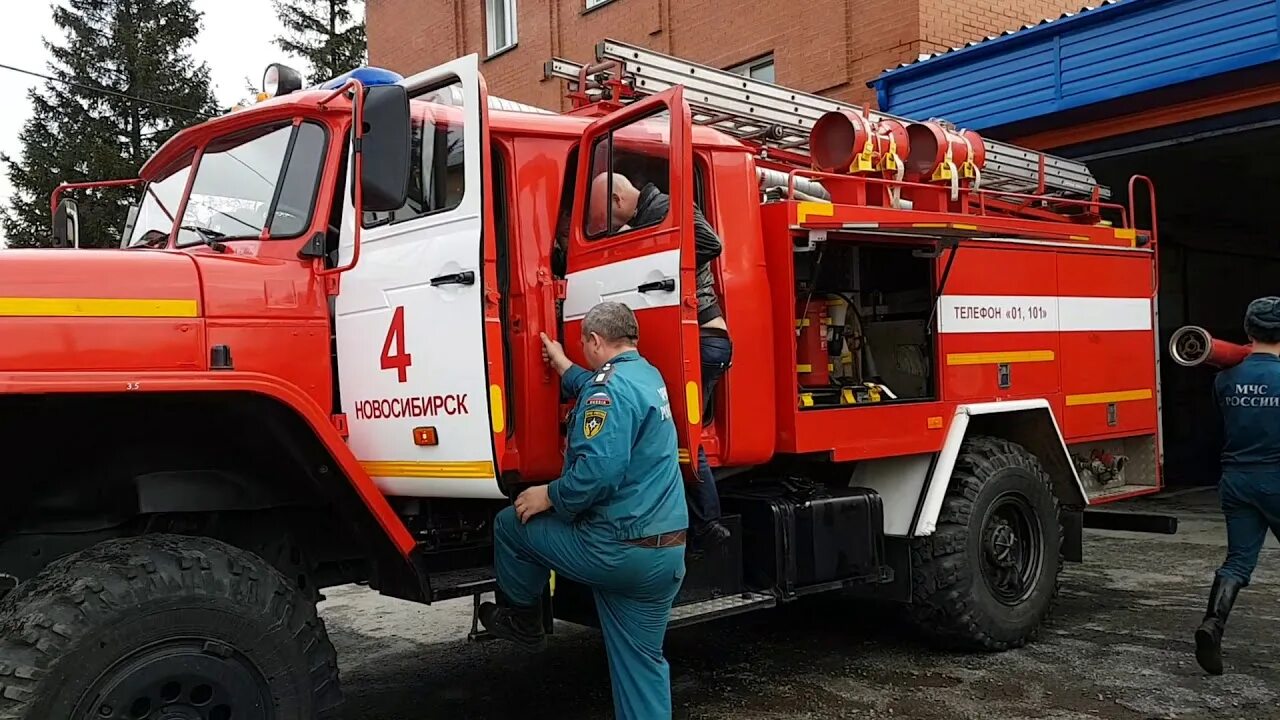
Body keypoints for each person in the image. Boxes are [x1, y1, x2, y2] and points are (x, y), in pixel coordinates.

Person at [479, 301, 688, 720]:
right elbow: (598, 385)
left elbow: (598, 471)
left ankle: (523, 619)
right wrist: (561, 365)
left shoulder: (605, 390)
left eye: (584, 344)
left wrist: (550, 496)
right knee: (641, 666)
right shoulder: (647, 376)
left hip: (616, 551)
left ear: (594, 340)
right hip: (667, 553)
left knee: (511, 523)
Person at [590, 172, 733, 550]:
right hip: (704, 339)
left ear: (618, 200)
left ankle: (708, 526)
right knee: (682, 432)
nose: (606, 226)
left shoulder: (669, 207)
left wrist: (654, 255)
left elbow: (710, 243)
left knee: (682, 434)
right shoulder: (650, 216)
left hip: (705, 338)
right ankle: (701, 523)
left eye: (606, 217)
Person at [1195, 296, 1280, 675]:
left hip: (1236, 480)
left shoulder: (1224, 379)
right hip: (1276, 478)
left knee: (1238, 561)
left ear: (1248, 331)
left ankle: (1212, 624)